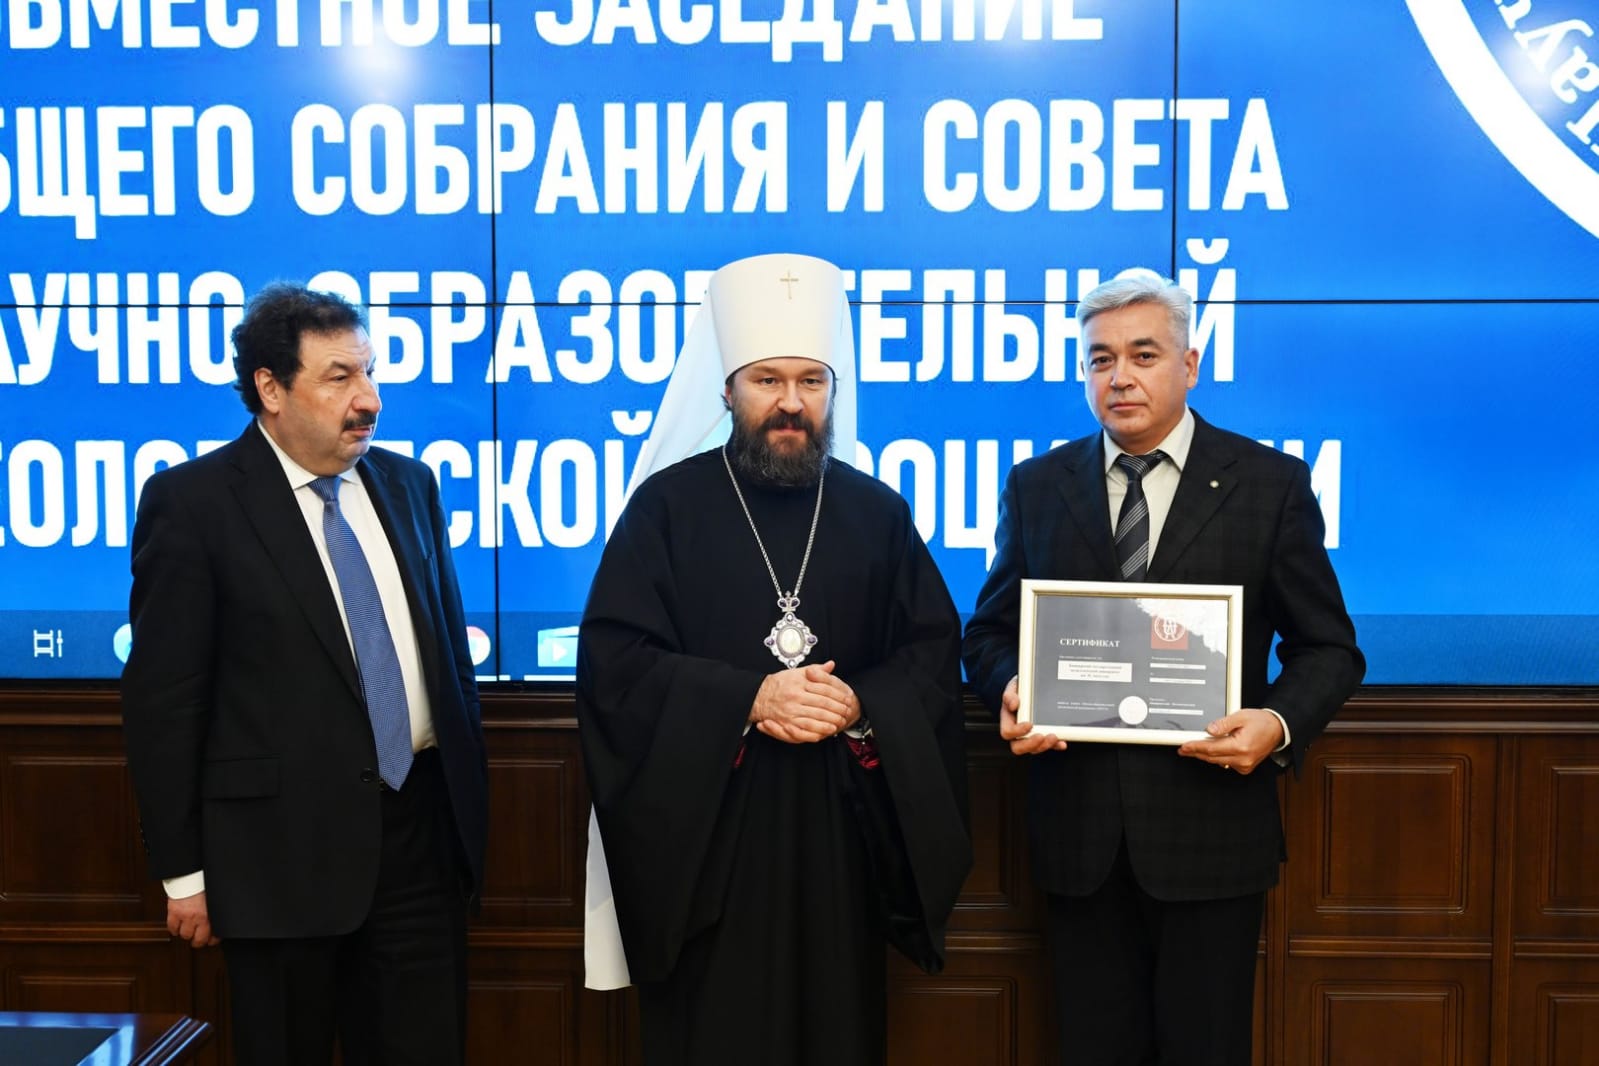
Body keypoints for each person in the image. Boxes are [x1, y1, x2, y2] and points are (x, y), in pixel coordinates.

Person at [577, 252, 971, 1066]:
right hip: (712, 841)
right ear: (727, 391)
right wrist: (749, 699)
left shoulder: (875, 512)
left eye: (810, 381)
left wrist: (859, 704)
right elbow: (616, 664)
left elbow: (931, 652)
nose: (791, 402)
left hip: (840, 836)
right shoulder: (665, 508)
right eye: (767, 380)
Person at [962, 269, 1364, 1065]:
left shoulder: (1269, 485)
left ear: (1188, 364)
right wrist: (1010, 685)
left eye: (1142, 355)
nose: (1119, 377)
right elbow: (988, 633)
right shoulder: (1037, 486)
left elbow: (1328, 648)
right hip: (1078, 839)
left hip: (1211, 835)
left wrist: (1276, 724)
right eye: (1099, 359)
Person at [120, 283, 488, 1066]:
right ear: (270, 388)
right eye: (339, 377)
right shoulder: (194, 504)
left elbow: (449, 659)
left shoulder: (409, 486)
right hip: (277, 861)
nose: (369, 399)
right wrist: (183, 874)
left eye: (369, 372)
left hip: (419, 844)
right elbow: (164, 703)